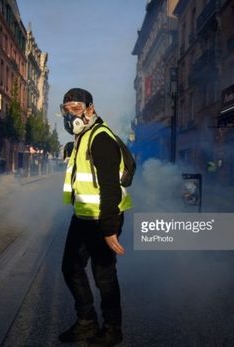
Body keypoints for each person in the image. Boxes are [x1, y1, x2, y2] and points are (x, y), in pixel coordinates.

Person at [59, 88, 132, 346]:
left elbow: (111, 187)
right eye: (66, 111)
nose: (71, 116)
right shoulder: (84, 136)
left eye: (76, 109)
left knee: (104, 277)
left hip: (102, 218)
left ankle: (113, 329)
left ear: (90, 108)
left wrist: (110, 228)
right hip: (83, 217)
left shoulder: (100, 137)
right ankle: (87, 323)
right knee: (71, 267)